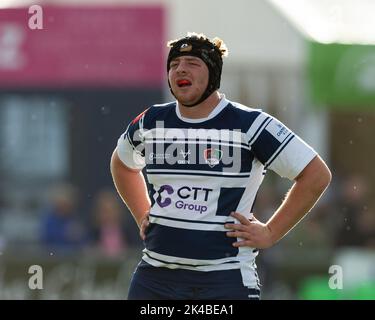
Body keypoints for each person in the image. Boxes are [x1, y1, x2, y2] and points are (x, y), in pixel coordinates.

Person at [110, 32, 331, 300]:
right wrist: (141, 212)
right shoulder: (151, 120)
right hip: (155, 278)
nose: (180, 69)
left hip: (224, 279)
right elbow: (122, 164)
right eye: (174, 64)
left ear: (213, 74)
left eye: (192, 63)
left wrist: (271, 232)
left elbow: (316, 175)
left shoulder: (250, 123)